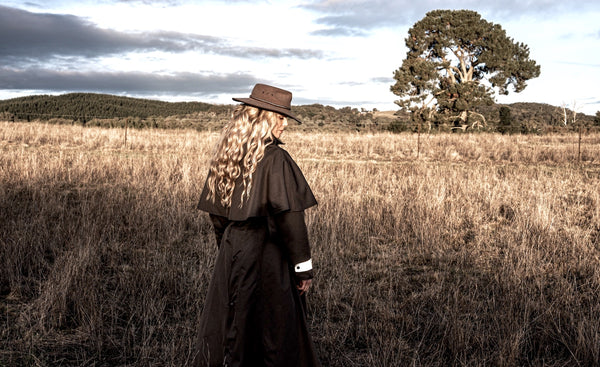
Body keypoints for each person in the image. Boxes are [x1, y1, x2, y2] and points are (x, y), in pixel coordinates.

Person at [194, 84, 321, 367]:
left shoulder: (228, 154)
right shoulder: (276, 158)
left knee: (234, 321)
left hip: (232, 249)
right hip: (267, 253)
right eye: (280, 117)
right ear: (262, 117)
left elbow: (217, 215)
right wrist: (304, 269)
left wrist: (229, 252)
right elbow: (290, 220)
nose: (285, 124)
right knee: (273, 327)